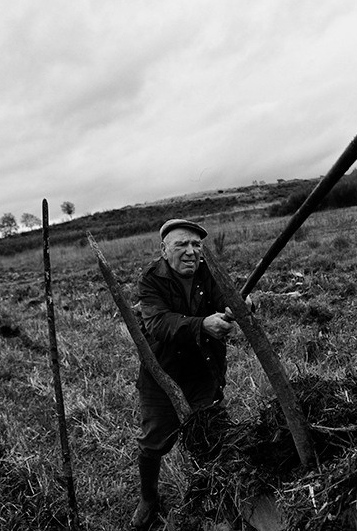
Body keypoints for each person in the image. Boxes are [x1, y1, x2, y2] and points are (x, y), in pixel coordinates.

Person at [131, 218, 237, 529]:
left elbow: (224, 299)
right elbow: (159, 324)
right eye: (181, 245)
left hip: (204, 368)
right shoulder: (150, 280)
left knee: (212, 434)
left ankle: (216, 494)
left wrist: (238, 306)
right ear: (164, 251)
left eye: (196, 245)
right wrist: (203, 324)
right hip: (162, 372)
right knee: (153, 441)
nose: (191, 252)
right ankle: (149, 498)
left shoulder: (208, 270)